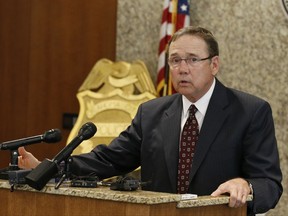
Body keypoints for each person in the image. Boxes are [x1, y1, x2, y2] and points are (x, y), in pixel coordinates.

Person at [18, 26, 282, 215]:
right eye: (175, 60)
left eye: (192, 60)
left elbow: (269, 184)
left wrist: (246, 185)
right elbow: (108, 160)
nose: (182, 68)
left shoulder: (250, 111)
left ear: (214, 65)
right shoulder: (152, 112)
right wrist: (48, 169)